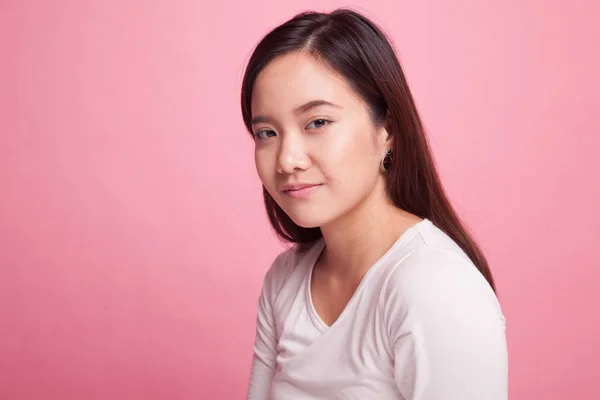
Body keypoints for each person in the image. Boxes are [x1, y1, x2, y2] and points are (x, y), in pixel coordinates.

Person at [240, 8, 508, 400]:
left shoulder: (437, 288)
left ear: (388, 130)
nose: (287, 159)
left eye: (317, 122)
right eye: (266, 132)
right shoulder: (286, 280)